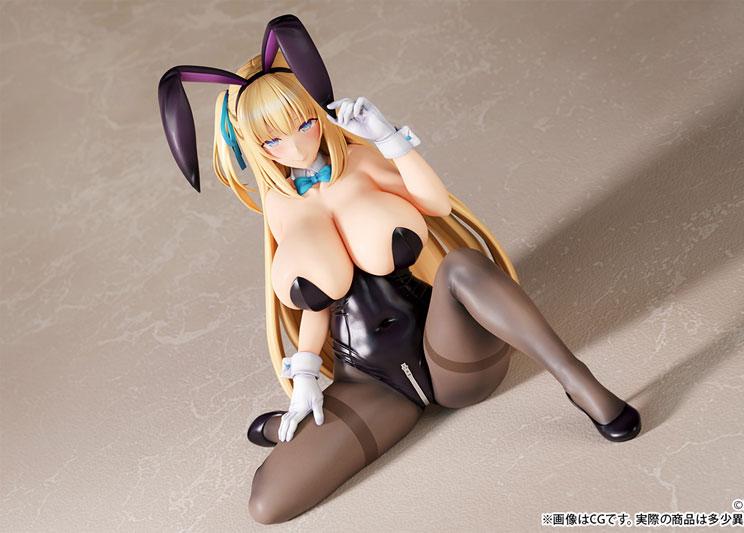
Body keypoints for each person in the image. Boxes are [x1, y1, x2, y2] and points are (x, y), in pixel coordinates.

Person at [158, 14, 641, 525]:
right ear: (252, 148)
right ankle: (285, 427)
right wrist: (304, 376)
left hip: (452, 354)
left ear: (318, 112)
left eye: (304, 123)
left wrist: (389, 138)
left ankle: (579, 381)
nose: (297, 145)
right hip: (371, 384)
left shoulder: (361, 163)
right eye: (273, 140)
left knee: (461, 266)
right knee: (268, 503)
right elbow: (315, 302)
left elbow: (435, 204)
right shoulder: (280, 208)